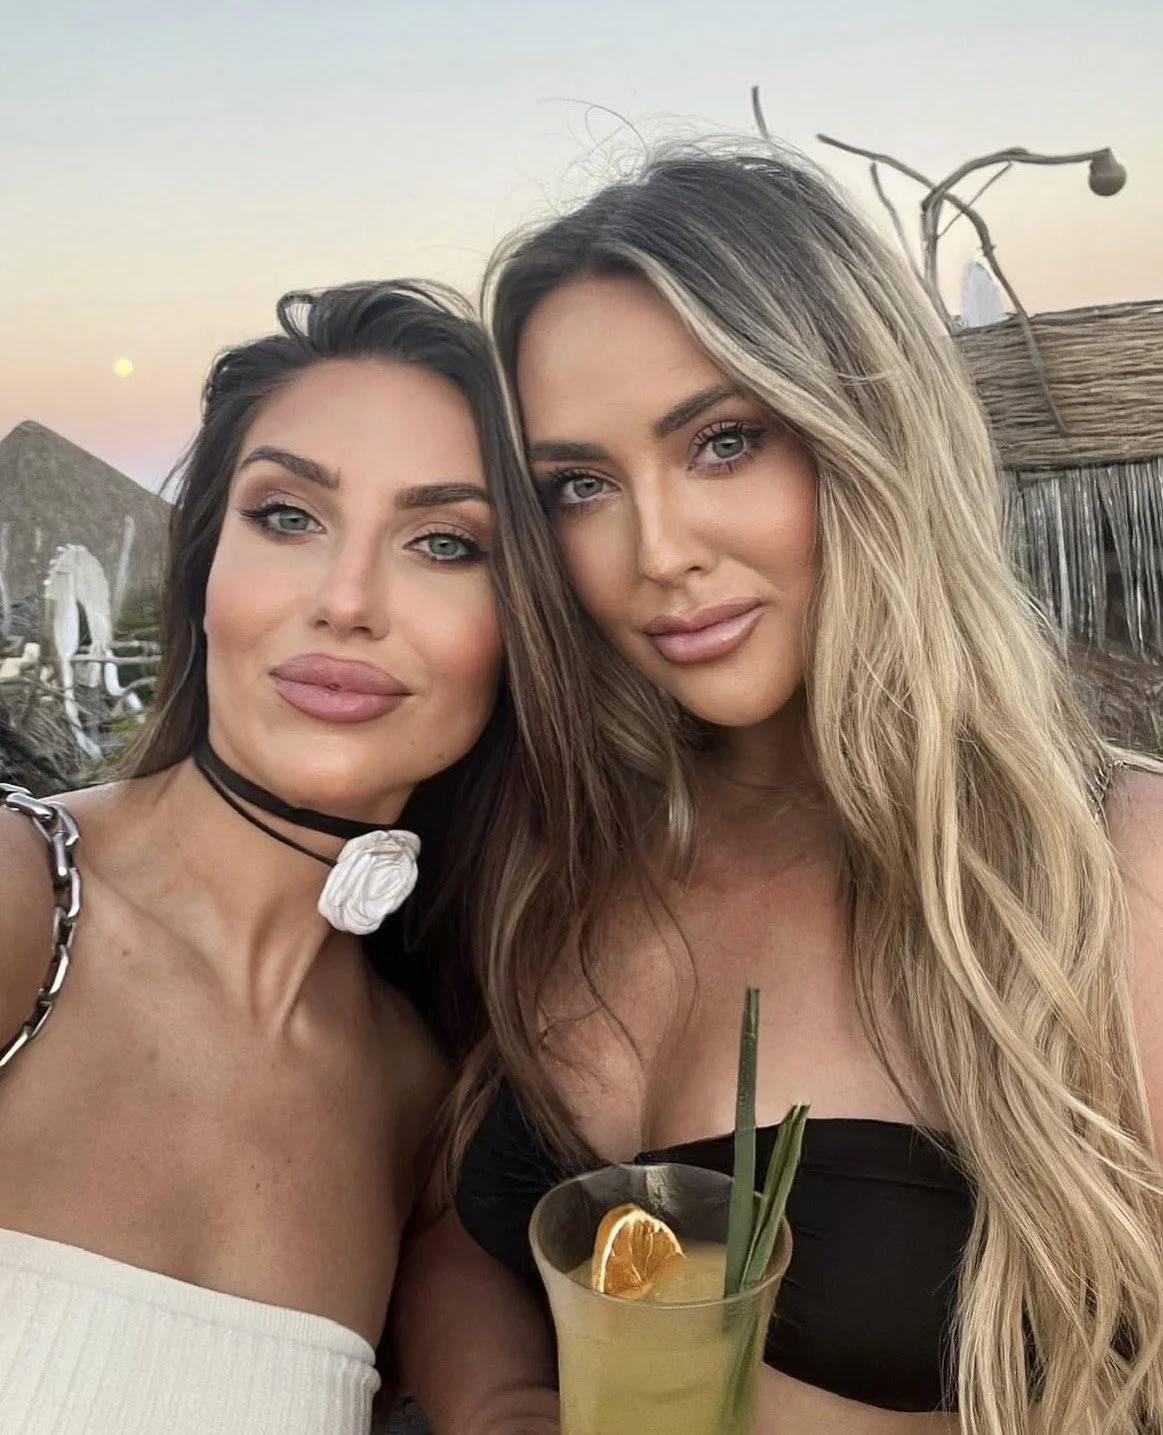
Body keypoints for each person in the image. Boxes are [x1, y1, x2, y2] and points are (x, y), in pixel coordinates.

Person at [393, 146, 1163, 1435]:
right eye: (578, 484)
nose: (658, 552)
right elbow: (460, 1230)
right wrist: (504, 1398)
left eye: (724, 440)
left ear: (868, 429)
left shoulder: (1106, 872)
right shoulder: (555, 843)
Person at [0, 280, 519, 1435]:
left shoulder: (417, 1099)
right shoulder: (23, 903)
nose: (346, 599)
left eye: (443, 542)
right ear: (202, 569)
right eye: (287, 516)